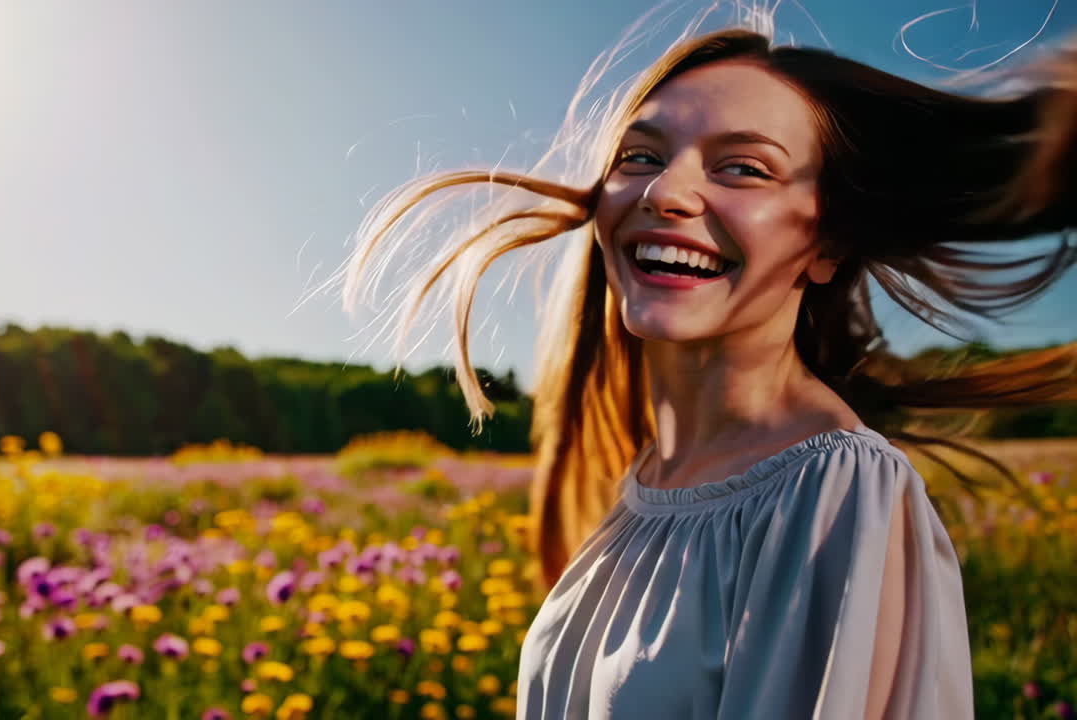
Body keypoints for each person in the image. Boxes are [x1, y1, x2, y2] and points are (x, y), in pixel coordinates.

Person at [335, 16, 1077, 720]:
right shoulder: (647, 485)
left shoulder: (832, 494)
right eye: (641, 156)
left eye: (744, 168)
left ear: (828, 245)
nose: (666, 191)